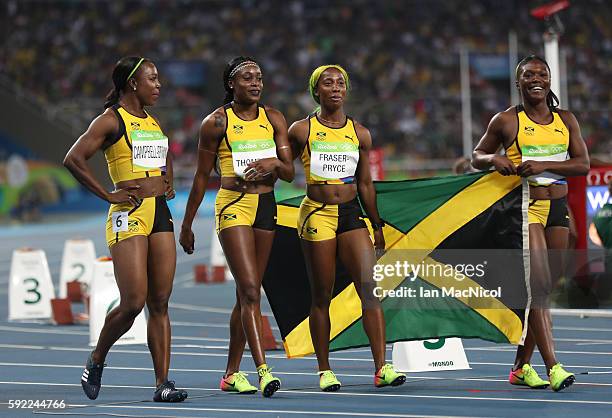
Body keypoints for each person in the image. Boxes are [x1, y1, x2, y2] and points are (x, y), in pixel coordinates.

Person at [63, 56, 188, 402]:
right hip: (128, 213)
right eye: (153, 79)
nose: (159, 85)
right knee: (134, 302)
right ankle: (98, 356)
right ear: (133, 83)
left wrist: (169, 182)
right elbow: (73, 158)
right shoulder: (110, 121)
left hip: (159, 212)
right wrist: (107, 194)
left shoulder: (151, 120)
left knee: (160, 302)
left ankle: (162, 383)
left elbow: (164, 154)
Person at [472, 55, 589, 392]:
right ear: (518, 81)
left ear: (550, 80)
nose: (536, 79)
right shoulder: (507, 121)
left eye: (542, 74)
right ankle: (554, 366)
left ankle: (521, 367)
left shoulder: (566, 119)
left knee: (544, 290)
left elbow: (581, 164)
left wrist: (543, 164)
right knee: (536, 288)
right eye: (528, 74)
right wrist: (495, 158)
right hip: (527, 208)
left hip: (558, 208)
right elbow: (476, 157)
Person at [179, 57, 294, 397]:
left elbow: (288, 172)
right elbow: (201, 176)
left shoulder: (274, 118)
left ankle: (230, 373)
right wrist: (186, 224)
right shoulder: (216, 122)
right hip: (234, 205)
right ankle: (263, 371)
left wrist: (274, 161)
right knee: (249, 290)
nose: (256, 82)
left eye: (259, 77)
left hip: (266, 205)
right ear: (231, 83)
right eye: (247, 77)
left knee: (247, 293)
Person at [287, 65, 406, 392]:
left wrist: (376, 223)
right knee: (322, 294)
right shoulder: (301, 130)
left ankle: (382, 366)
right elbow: (285, 168)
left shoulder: (360, 133)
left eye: (340, 83)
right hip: (318, 214)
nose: (336, 88)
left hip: (352, 214)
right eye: (328, 83)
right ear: (317, 92)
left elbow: (366, 182)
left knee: (370, 289)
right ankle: (324, 369)